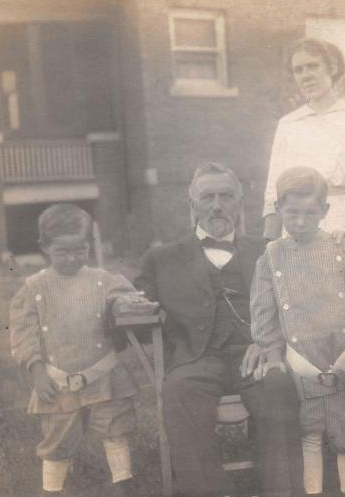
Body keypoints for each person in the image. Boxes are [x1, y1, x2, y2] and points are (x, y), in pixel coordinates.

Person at [123, 162, 304, 497]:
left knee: (279, 386)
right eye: (208, 197)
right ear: (192, 205)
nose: (217, 205)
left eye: (226, 196)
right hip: (196, 359)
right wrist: (119, 306)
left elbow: (296, 307)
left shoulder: (268, 249)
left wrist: (270, 341)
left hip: (256, 356)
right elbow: (133, 306)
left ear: (240, 203)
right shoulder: (162, 258)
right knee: (178, 391)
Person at [9, 203, 156, 497]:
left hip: (103, 372)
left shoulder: (102, 280)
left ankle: (122, 482)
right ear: (44, 247)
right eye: (62, 251)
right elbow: (24, 333)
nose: (73, 258)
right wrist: (37, 369)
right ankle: (52, 488)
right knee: (57, 436)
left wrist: (123, 303)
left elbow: (121, 295)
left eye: (80, 250)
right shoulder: (34, 288)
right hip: (58, 376)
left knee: (114, 427)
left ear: (89, 245)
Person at [251, 166, 345, 496]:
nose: (300, 221)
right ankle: (313, 491)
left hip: (344, 353)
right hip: (301, 358)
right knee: (309, 430)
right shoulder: (272, 256)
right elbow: (264, 312)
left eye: (310, 213)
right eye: (291, 213)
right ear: (278, 209)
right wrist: (272, 354)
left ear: (324, 211)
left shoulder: (342, 248)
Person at [262, 37, 345, 242]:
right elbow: (272, 194)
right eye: (298, 70)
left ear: (332, 68)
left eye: (312, 66)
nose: (306, 75)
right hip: (298, 225)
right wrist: (269, 246)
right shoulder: (288, 125)